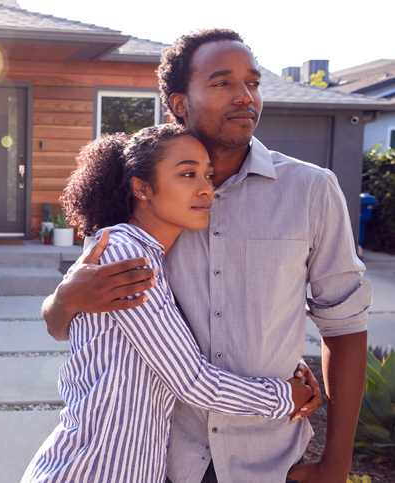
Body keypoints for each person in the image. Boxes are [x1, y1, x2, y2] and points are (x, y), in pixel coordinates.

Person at [42, 29, 371, 483]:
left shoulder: (312, 189)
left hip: (270, 461)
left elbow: (346, 325)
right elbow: (72, 324)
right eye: (222, 83)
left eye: (252, 83)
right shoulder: (140, 198)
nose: (245, 97)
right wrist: (61, 301)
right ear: (179, 102)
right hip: (165, 460)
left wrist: (336, 462)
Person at [22, 125, 316, 483]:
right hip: (90, 470)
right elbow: (193, 381)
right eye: (188, 174)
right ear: (142, 188)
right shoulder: (126, 256)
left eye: (208, 175)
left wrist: (284, 358)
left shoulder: (154, 256)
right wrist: (286, 396)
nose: (206, 188)